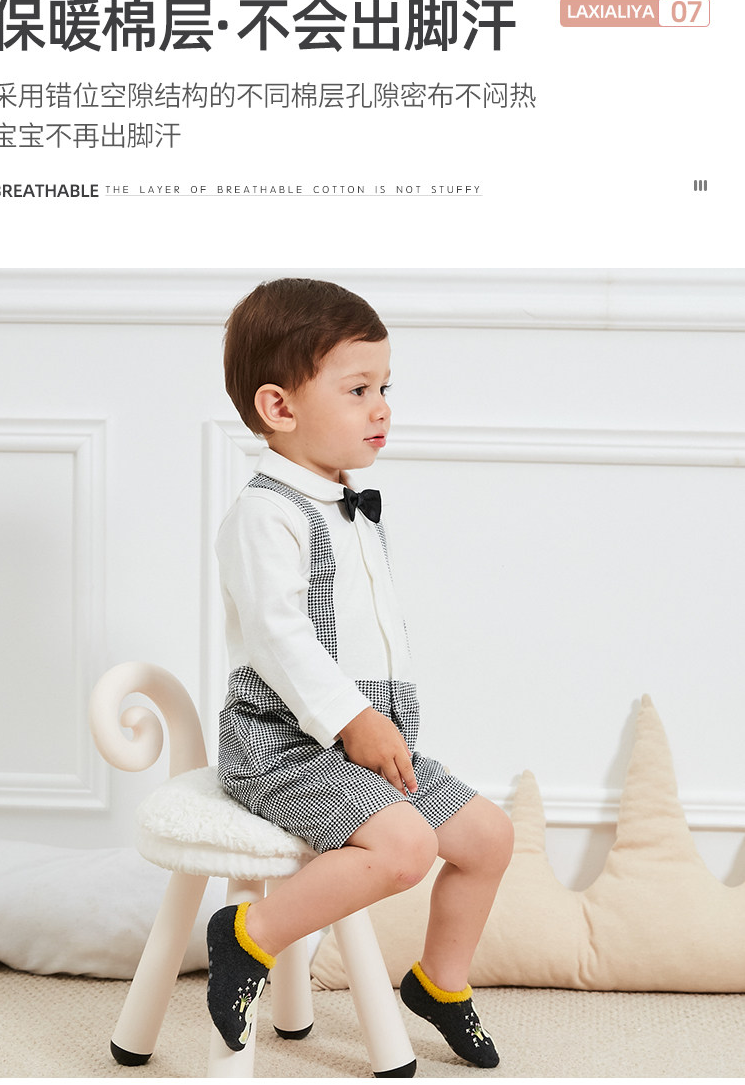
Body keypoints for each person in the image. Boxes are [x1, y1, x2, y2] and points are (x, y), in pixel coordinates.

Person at [207, 278, 513, 1069]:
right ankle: (248, 934)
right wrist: (353, 718)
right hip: (286, 745)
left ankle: (440, 982)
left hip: (367, 742)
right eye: (358, 390)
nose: (382, 408)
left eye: (385, 388)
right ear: (280, 407)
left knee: (487, 836)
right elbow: (278, 636)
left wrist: (377, 723)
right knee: (406, 846)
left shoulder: (349, 505)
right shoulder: (265, 513)